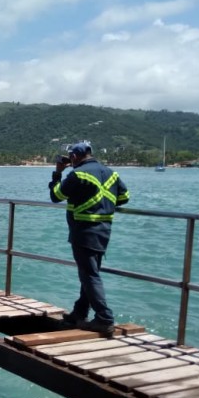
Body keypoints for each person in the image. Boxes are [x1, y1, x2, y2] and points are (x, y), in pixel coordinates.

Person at [49, 142, 130, 337]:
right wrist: (102, 202)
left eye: (70, 157)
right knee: (90, 272)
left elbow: (56, 195)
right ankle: (80, 312)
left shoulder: (78, 174)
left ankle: (104, 317)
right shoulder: (111, 173)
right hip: (104, 231)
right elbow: (124, 197)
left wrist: (58, 172)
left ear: (75, 157)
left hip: (83, 230)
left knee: (89, 275)